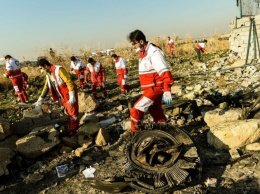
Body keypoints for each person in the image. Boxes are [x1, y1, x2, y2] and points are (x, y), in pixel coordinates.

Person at [127, 30, 174, 132]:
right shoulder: (144, 52)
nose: (133, 46)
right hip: (150, 88)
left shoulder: (154, 52)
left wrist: (167, 89)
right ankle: (165, 131)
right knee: (154, 109)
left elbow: (164, 71)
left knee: (136, 110)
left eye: (134, 43)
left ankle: (136, 135)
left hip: (155, 89)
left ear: (141, 41)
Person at [34, 58, 79, 137]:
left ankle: (73, 132)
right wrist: (40, 99)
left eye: (41, 68)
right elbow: (47, 86)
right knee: (68, 111)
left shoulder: (59, 69)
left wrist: (72, 95)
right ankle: (72, 127)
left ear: (45, 65)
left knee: (73, 113)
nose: (41, 71)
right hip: (62, 95)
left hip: (68, 92)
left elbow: (68, 81)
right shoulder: (48, 73)